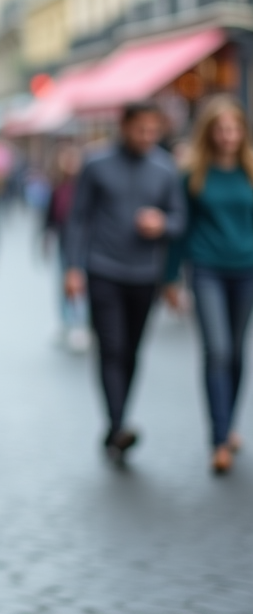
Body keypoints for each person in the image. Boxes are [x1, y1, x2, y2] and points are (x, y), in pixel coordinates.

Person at [64, 101, 185, 464]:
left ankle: (118, 420)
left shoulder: (165, 169)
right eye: (141, 129)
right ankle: (117, 424)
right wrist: (72, 268)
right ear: (124, 126)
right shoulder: (96, 163)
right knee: (111, 348)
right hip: (103, 269)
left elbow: (180, 220)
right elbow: (77, 218)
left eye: (154, 131)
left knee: (131, 350)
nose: (147, 137)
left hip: (145, 273)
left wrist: (162, 223)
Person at [164, 96, 253, 474]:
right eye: (221, 129)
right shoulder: (192, 175)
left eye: (234, 129)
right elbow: (180, 231)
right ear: (209, 133)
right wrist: (169, 278)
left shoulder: (250, 171)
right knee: (216, 350)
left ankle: (229, 424)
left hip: (246, 268)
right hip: (206, 268)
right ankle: (218, 439)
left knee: (235, 351)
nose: (228, 136)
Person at [44, 145, 90, 351]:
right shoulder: (58, 188)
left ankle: (81, 324)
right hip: (64, 242)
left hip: (86, 243)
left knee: (83, 283)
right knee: (65, 282)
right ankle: (68, 322)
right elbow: (50, 216)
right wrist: (45, 237)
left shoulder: (87, 187)